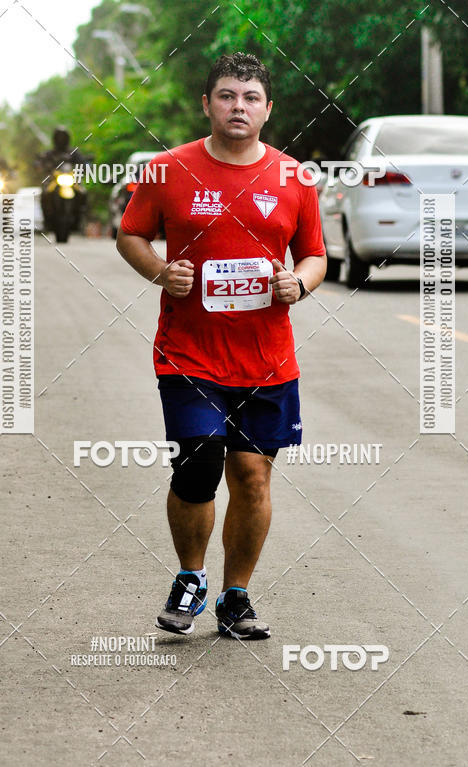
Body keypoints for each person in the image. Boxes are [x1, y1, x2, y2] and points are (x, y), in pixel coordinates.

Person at [116, 52, 326, 640]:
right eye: (228, 96)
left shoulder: (294, 177)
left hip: (267, 360)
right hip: (189, 354)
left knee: (253, 476)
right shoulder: (168, 170)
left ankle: (236, 598)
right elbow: (130, 233)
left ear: (267, 109)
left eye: (251, 97)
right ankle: (190, 578)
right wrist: (161, 271)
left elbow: (315, 254)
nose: (239, 106)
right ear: (207, 104)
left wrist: (299, 283)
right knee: (198, 464)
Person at [33, 126, 87, 230]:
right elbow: (40, 162)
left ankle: (80, 215)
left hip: (71, 179)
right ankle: (47, 217)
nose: (61, 140)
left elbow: (83, 162)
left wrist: (86, 167)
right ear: (55, 139)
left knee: (83, 192)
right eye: (59, 137)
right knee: (44, 192)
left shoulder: (73, 152)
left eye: (63, 137)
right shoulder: (49, 153)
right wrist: (39, 165)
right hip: (54, 180)